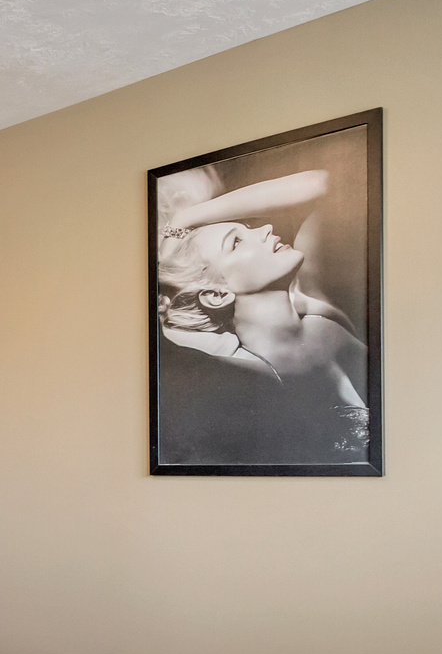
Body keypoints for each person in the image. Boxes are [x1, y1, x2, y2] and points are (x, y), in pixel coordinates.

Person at [155, 164, 368, 462]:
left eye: (249, 228)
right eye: (237, 241)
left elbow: (322, 183)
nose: (266, 228)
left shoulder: (324, 323)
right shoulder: (233, 378)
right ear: (216, 294)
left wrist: (185, 218)